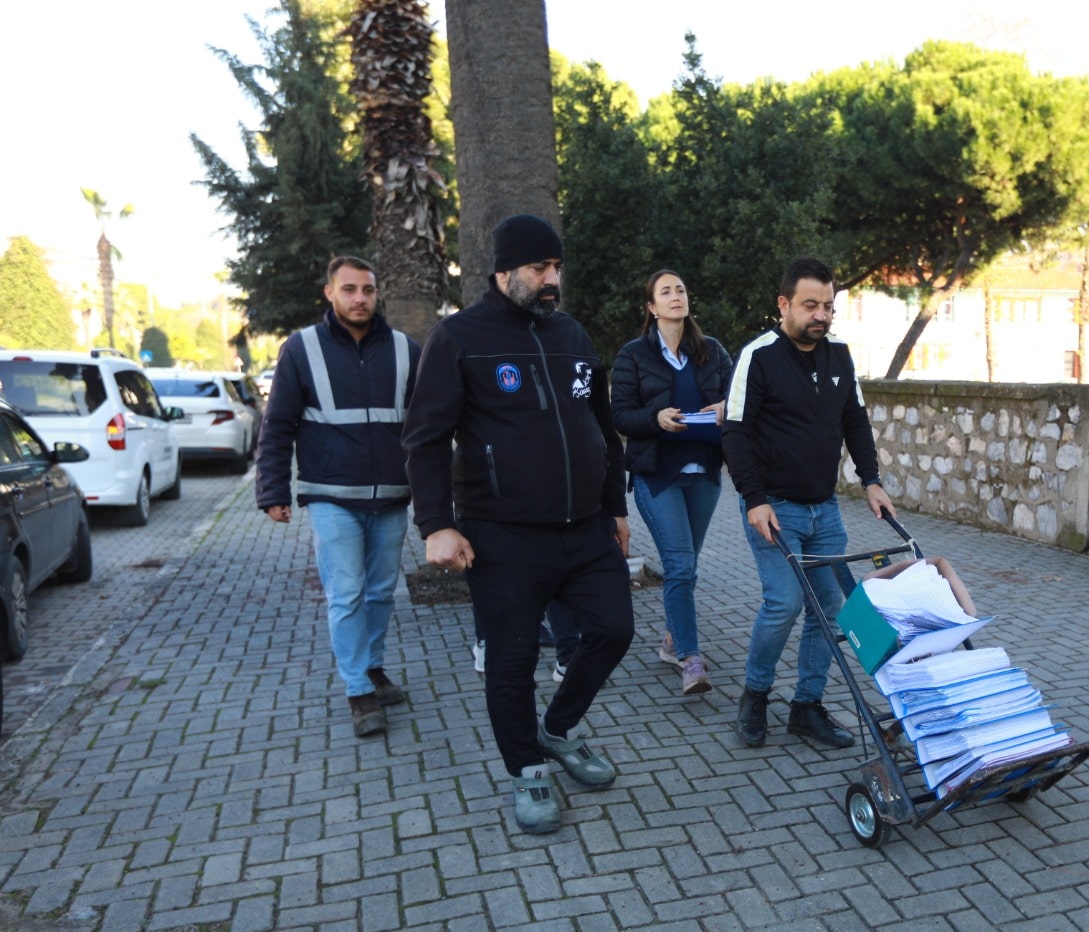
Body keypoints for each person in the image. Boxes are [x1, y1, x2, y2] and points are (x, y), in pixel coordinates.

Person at [403, 214, 633, 835]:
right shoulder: (459, 337)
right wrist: (435, 524)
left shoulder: (572, 335)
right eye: (539, 267)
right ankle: (526, 768)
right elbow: (425, 439)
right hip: (501, 535)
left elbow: (602, 428)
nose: (552, 279)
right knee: (511, 662)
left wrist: (615, 507)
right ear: (504, 271)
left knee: (614, 629)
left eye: (557, 267)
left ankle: (556, 729)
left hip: (584, 528)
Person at [722, 257, 895, 749]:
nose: (821, 315)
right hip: (774, 509)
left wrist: (871, 481)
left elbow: (855, 420)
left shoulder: (839, 355)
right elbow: (735, 431)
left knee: (831, 606)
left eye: (828, 306)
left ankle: (806, 705)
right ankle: (756, 695)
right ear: (784, 304)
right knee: (785, 603)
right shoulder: (758, 356)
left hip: (825, 508)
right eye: (810, 305)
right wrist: (753, 499)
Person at [256, 255, 420, 738]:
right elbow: (278, 424)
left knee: (381, 593)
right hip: (330, 496)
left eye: (367, 290)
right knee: (346, 594)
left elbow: (426, 427)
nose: (359, 299)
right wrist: (272, 490)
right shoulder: (301, 348)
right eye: (349, 289)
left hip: (392, 496)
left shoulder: (406, 349)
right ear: (330, 293)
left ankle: (372, 666)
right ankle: (358, 690)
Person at [610, 270, 735, 697]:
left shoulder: (712, 350)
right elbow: (619, 415)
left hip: (705, 473)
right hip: (657, 475)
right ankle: (690, 658)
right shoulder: (634, 355)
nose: (676, 295)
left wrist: (725, 406)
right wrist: (656, 417)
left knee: (687, 567)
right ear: (652, 307)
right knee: (680, 565)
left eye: (680, 289)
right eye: (666, 292)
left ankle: (670, 640)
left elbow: (740, 398)